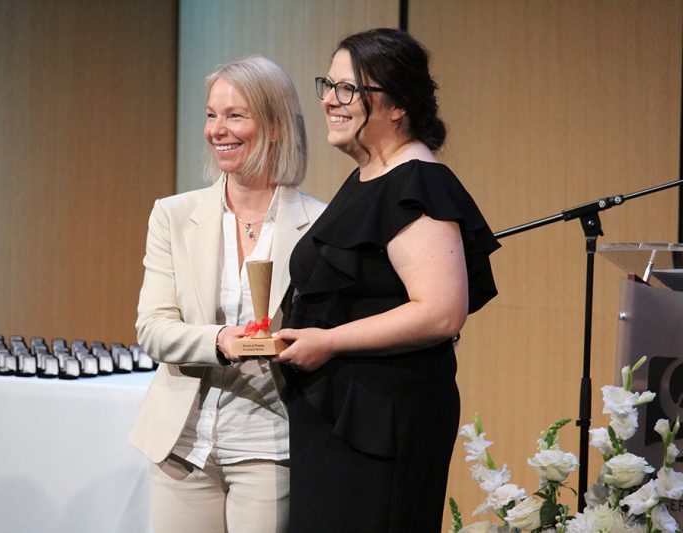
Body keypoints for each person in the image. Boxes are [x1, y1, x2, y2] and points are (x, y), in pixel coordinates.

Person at [274, 28, 501, 532]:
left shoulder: (416, 180)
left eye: (348, 89)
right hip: (344, 415)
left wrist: (328, 341)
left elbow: (440, 312)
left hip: (381, 421)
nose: (329, 101)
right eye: (328, 86)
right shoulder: (369, 176)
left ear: (397, 105)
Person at [129, 56, 325, 533]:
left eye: (235, 115)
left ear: (275, 126)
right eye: (211, 115)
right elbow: (152, 329)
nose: (217, 130)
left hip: (269, 446)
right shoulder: (174, 215)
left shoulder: (320, 224)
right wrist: (220, 340)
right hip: (182, 447)